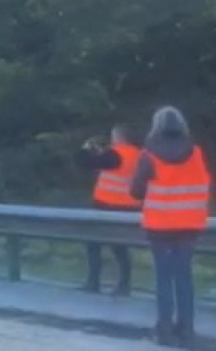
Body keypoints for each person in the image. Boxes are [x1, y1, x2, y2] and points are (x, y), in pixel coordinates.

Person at [130, 106, 211, 347]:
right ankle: (186, 328)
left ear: (156, 126)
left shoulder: (149, 155)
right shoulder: (196, 152)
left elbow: (135, 191)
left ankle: (164, 330)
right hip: (189, 226)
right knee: (184, 276)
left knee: (164, 278)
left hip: (161, 226)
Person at [75, 124, 141, 296]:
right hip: (130, 207)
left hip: (106, 204)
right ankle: (124, 285)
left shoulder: (116, 154)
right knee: (119, 247)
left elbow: (87, 163)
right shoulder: (139, 155)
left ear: (120, 137)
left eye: (114, 137)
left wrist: (86, 149)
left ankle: (93, 281)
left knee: (93, 243)